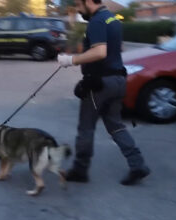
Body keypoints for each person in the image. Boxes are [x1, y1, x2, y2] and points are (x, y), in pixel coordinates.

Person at [57, 0, 150, 185]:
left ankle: (80, 170)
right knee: (115, 125)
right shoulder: (112, 19)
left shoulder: (97, 21)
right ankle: (137, 164)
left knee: (86, 127)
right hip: (117, 80)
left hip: (99, 84)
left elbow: (100, 52)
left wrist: (71, 59)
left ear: (89, 1)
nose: (77, 9)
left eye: (78, 5)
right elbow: (118, 49)